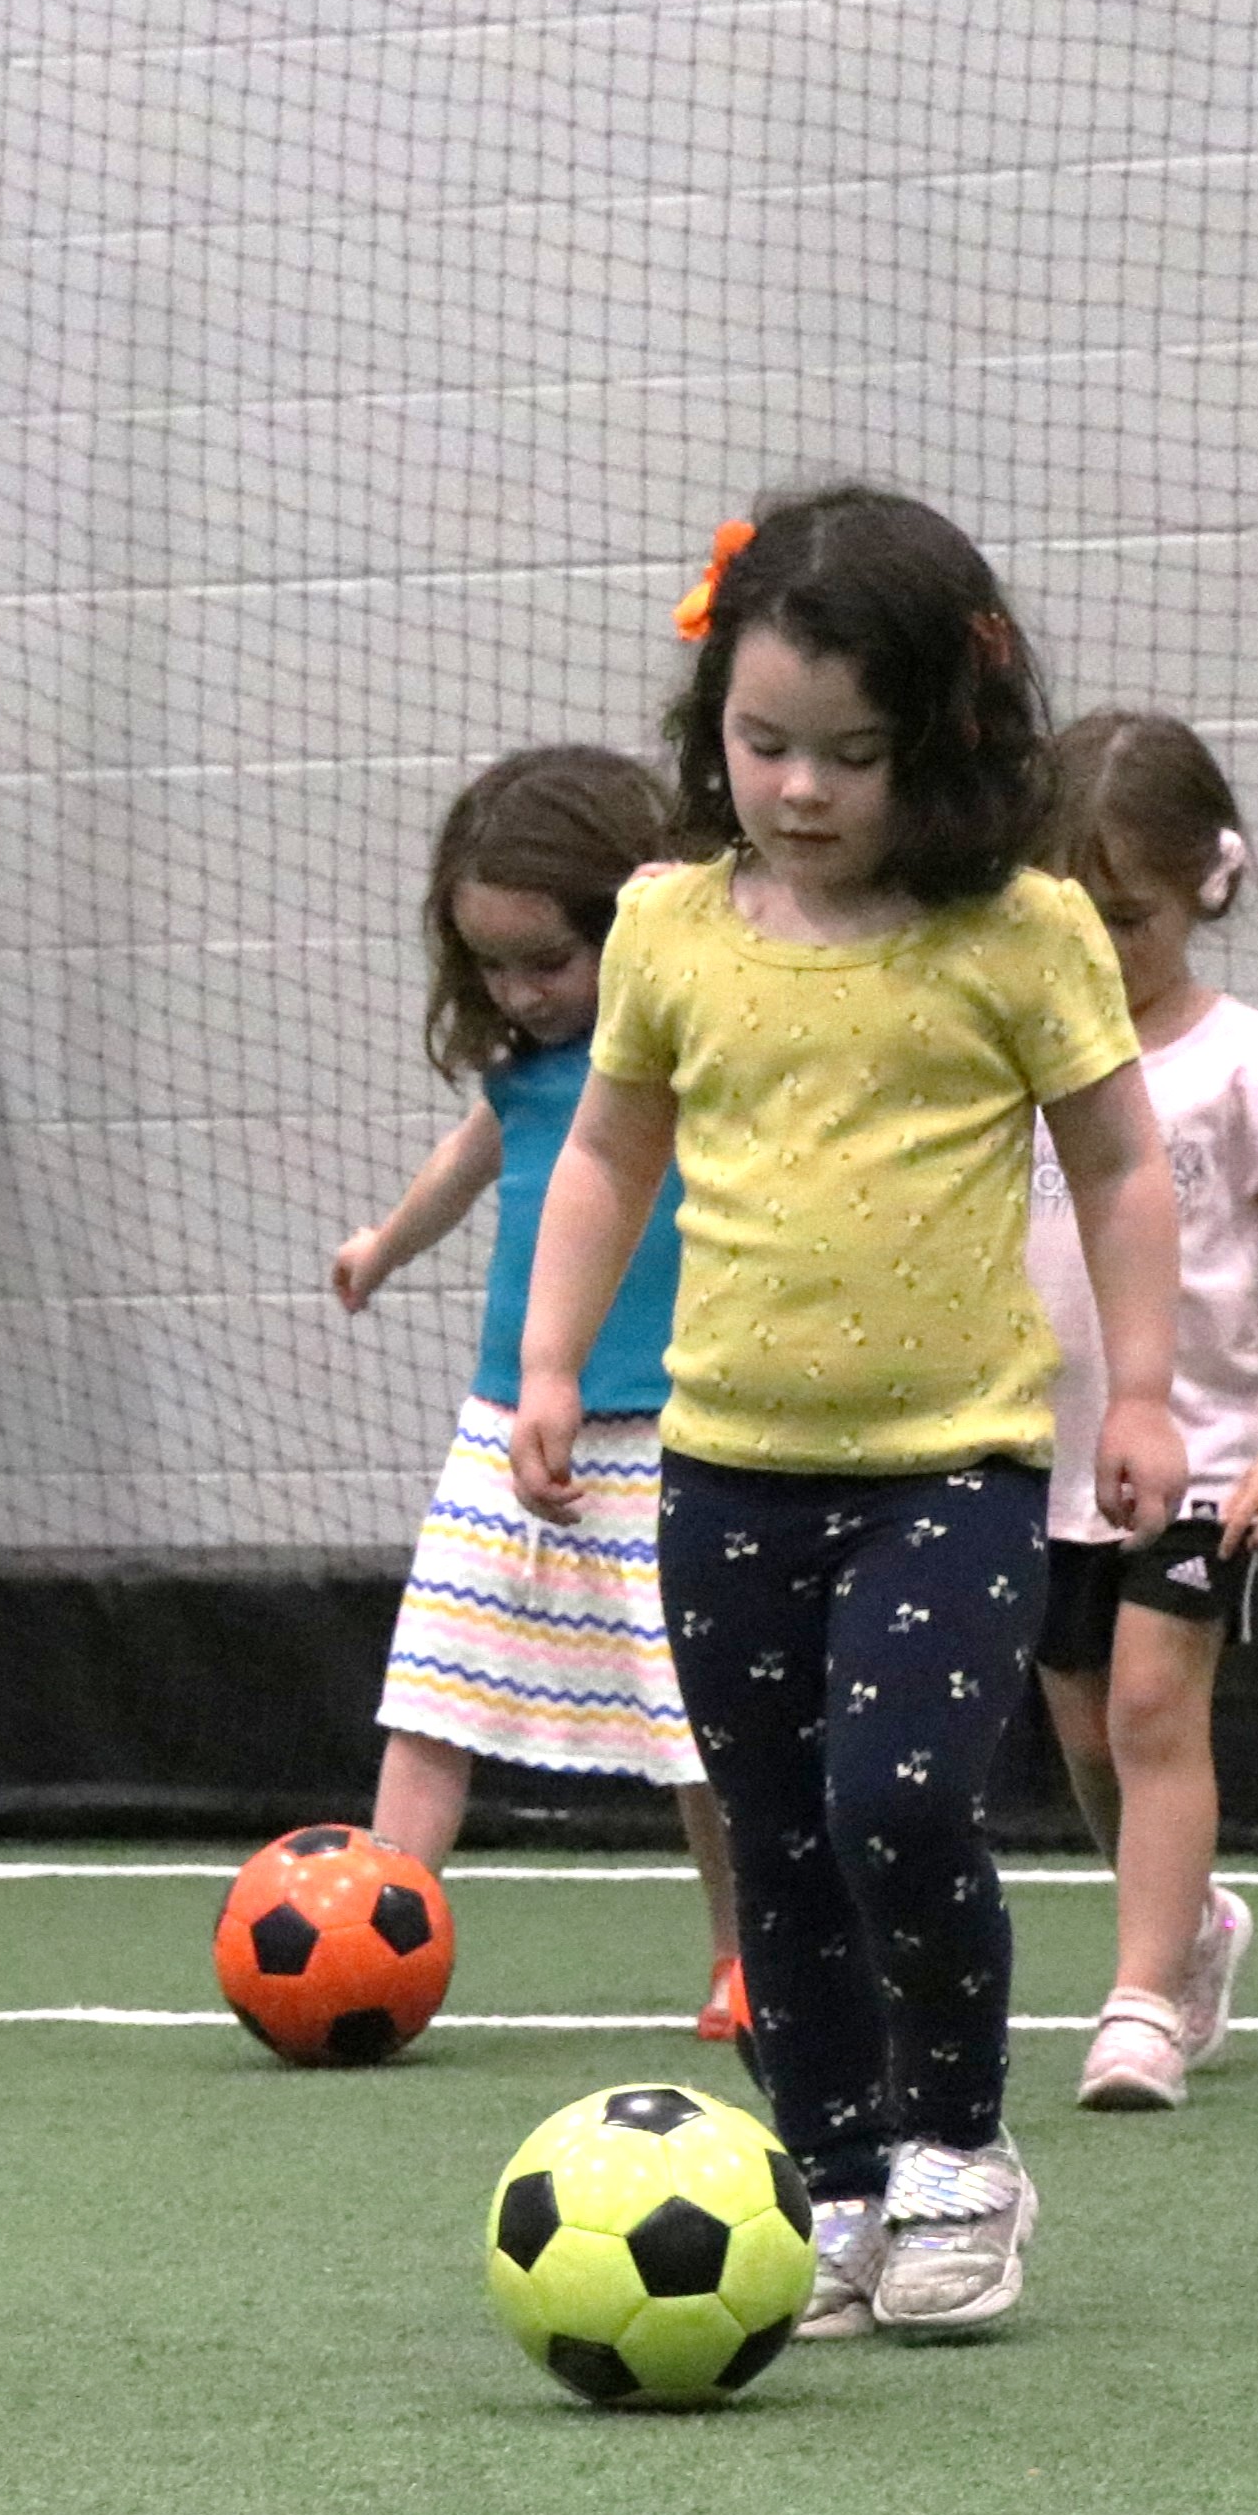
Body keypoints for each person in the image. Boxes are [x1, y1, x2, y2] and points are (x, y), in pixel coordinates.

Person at [510, 486, 1187, 2337]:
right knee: (780, 1831)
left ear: (947, 744)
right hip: (724, 1469)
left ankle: (962, 2144)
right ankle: (832, 2176)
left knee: (895, 1801)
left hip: (951, 1466)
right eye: (762, 744)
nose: (798, 790)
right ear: (710, 716)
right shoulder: (668, 927)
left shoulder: (1017, 932)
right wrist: (557, 1363)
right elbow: (609, 1154)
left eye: (852, 755)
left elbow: (1123, 1168)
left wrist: (1142, 1392)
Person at [331, 746, 742, 2032]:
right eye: (491, 966)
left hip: (668, 1429)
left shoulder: (677, 1059)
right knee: (432, 1683)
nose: (519, 991)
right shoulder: (520, 1070)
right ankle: (369, 1933)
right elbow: (468, 1164)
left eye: (546, 962)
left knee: (700, 1723)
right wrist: (382, 1246)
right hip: (509, 1423)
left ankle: (746, 1953)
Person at [1025, 711, 1258, 2112]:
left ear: (1207, 887)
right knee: (1090, 1731)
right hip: (1039, 1464)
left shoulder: (1247, 1063)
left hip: (1203, 1458)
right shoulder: (1018, 1058)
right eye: (1071, 918)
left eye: (1132, 916)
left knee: (1160, 1709)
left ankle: (1138, 2001)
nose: (1104, 952)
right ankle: (1190, 1923)